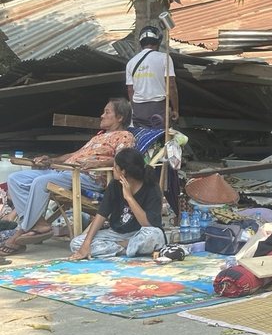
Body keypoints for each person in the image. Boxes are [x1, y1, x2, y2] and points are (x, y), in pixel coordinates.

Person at [1, 99, 135, 257]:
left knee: (42, 182)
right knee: (16, 179)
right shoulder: (99, 137)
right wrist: (51, 160)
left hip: (86, 178)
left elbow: (123, 160)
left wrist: (100, 162)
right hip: (64, 172)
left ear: (120, 117)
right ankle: (39, 224)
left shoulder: (125, 136)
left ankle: (20, 232)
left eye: (107, 112)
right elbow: (74, 155)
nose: (102, 115)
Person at [69, 147, 165, 259]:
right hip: (116, 235)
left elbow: (147, 223)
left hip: (140, 233)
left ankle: (120, 248)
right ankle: (125, 249)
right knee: (76, 243)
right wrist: (86, 243)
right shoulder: (115, 184)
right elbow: (101, 215)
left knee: (155, 236)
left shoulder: (151, 188)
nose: (112, 169)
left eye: (115, 167)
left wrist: (129, 198)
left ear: (123, 171)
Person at [126, 25, 179, 128]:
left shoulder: (131, 63)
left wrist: (135, 109)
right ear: (158, 42)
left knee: (142, 138)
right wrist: (175, 109)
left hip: (138, 109)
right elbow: (171, 85)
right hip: (158, 108)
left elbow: (130, 90)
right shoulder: (164, 58)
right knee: (159, 139)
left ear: (141, 43)